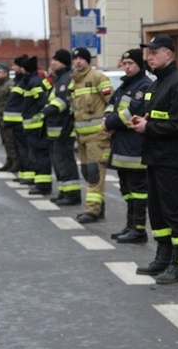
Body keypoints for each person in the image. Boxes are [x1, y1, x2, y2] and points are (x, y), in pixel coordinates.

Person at [131, 34, 178, 284]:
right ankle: (163, 256)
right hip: (154, 158)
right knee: (156, 212)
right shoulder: (156, 84)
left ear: (168, 54)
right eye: (148, 53)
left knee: (174, 212)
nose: (149, 57)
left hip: (171, 160)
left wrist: (150, 127)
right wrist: (142, 121)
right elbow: (153, 116)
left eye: (154, 52)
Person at [104, 49, 152, 242]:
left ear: (139, 65)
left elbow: (132, 113)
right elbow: (111, 105)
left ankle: (139, 229)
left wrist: (109, 123)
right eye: (124, 64)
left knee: (139, 191)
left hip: (135, 149)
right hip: (122, 147)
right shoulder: (125, 85)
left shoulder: (145, 86)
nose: (126, 67)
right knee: (126, 190)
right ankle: (130, 225)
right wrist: (107, 118)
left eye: (130, 63)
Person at [69, 47, 113, 223]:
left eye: (81, 58)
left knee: (95, 172)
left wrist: (108, 123)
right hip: (82, 137)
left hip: (97, 136)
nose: (78, 61)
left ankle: (92, 210)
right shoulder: (75, 81)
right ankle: (98, 207)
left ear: (88, 60)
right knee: (87, 172)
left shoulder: (98, 77)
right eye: (75, 58)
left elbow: (112, 102)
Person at [40, 49, 81, 206]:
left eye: (56, 61)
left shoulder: (67, 79)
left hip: (63, 128)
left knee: (65, 163)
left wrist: (47, 110)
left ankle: (72, 195)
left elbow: (63, 101)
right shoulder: (59, 79)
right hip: (55, 129)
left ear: (63, 62)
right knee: (58, 163)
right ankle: (64, 192)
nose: (52, 63)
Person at [21, 56, 53, 195]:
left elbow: (41, 101)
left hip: (37, 127)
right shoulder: (36, 80)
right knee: (37, 155)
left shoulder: (34, 82)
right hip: (35, 126)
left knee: (40, 155)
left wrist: (39, 116)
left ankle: (43, 185)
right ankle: (40, 183)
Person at [4, 54, 31, 184]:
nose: (13, 68)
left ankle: (27, 174)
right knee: (20, 150)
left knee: (24, 150)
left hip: (22, 123)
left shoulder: (25, 82)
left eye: (15, 65)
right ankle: (22, 173)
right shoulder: (19, 81)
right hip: (16, 123)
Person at [0, 64, 18, 172]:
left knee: (11, 142)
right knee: (6, 142)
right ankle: (9, 161)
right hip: (1, 118)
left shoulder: (9, 85)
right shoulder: (1, 85)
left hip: (8, 118)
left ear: (5, 73)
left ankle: (15, 163)